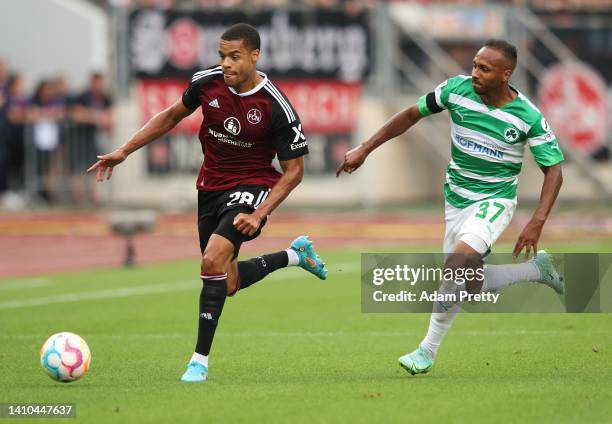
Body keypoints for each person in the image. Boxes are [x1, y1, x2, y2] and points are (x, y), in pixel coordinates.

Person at [88, 23, 328, 382]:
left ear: (254, 56)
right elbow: (170, 116)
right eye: (221, 56)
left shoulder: (275, 105)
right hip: (210, 188)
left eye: (234, 56)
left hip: (253, 185)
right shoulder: (206, 82)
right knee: (226, 281)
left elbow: (294, 171)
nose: (226, 64)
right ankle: (294, 255)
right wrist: (124, 151)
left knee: (211, 258)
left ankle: (198, 361)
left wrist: (261, 212)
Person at [337, 39, 564, 375]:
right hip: (456, 200)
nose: (475, 73)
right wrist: (365, 148)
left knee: (457, 265)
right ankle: (534, 271)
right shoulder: (455, 90)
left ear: (506, 74)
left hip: (494, 200)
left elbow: (554, 171)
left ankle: (425, 351)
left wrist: (538, 220)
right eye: (474, 65)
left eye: (484, 69)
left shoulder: (527, 116)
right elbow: (411, 115)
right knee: (461, 284)